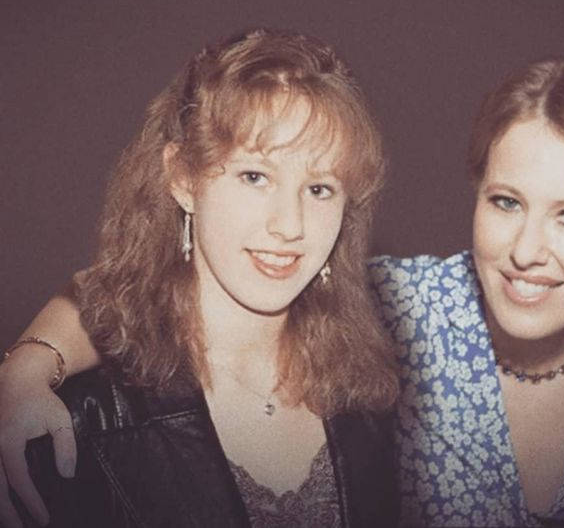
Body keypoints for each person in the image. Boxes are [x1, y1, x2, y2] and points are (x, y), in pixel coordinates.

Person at [2, 58, 564, 526]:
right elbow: (124, 297)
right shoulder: (411, 305)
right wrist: (27, 367)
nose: (525, 251)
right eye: (506, 202)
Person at [0, 29, 400, 528]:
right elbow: (105, 296)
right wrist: (23, 369)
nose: (290, 225)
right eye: (255, 176)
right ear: (183, 178)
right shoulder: (76, 420)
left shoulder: (376, 396)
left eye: (319, 188)